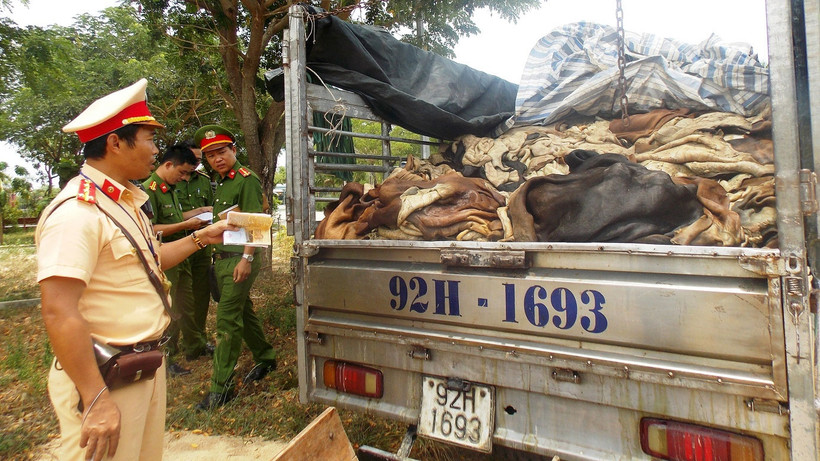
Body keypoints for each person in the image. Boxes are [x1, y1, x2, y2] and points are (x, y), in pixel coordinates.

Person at [36, 79, 232, 461]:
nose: (156, 150)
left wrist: (203, 237)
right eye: (148, 139)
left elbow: (151, 259)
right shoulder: (77, 213)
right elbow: (59, 310)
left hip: (141, 367)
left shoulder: (125, 202)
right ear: (115, 142)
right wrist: (94, 400)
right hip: (106, 376)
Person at [192, 124, 277, 411]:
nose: (217, 158)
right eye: (210, 155)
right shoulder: (221, 183)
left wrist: (247, 259)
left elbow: (254, 222)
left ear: (233, 151)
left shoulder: (245, 180)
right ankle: (266, 358)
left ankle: (222, 389)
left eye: (221, 152)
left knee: (227, 322)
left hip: (240, 260)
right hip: (224, 260)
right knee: (242, 310)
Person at [142, 145, 212, 374]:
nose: (184, 178)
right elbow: (150, 229)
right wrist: (185, 226)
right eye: (182, 173)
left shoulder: (169, 189)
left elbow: (176, 215)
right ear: (168, 164)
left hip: (181, 259)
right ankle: (166, 358)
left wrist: (199, 211)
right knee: (168, 309)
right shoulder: (148, 191)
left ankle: (194, 346)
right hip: (164, 259)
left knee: (186, 305)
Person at [175, 139, 216, 360]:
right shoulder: (172, 181)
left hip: (202, 247)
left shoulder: (205, 182)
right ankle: (171, 345)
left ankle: (197, 340)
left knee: (201, 293)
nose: (195, 164)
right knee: (179, 295)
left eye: (199, 160)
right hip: (178, 246)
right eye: (192, 160)